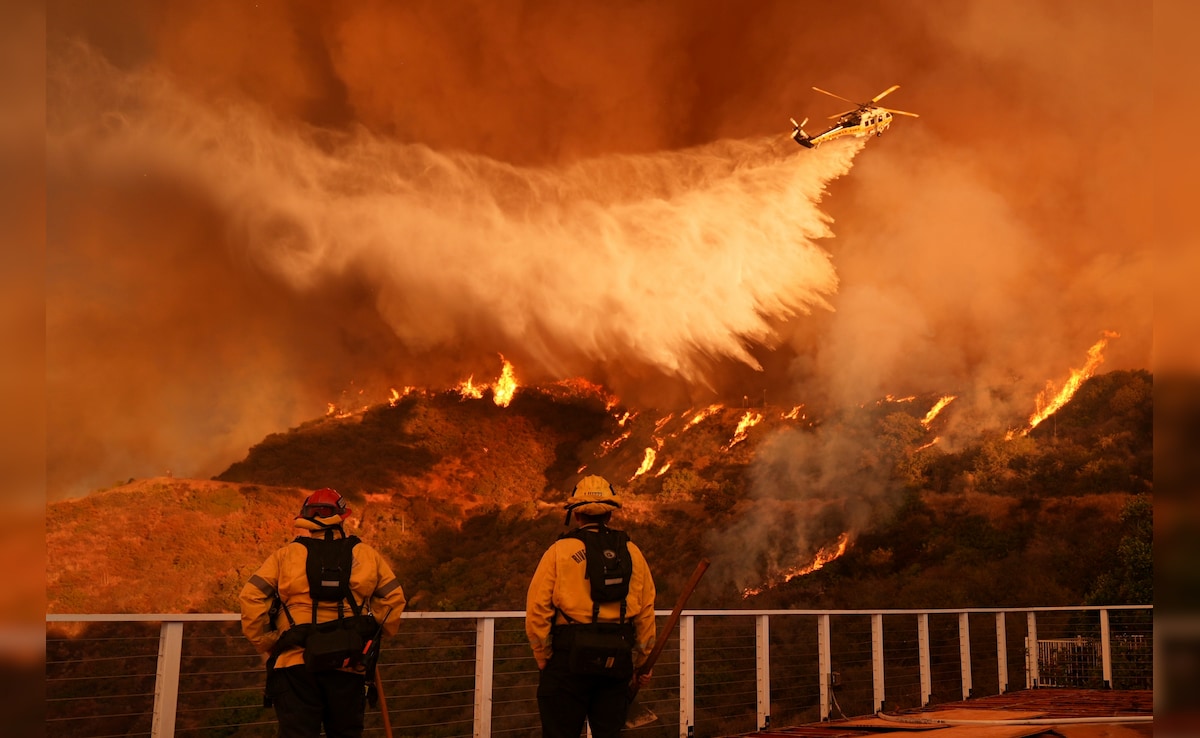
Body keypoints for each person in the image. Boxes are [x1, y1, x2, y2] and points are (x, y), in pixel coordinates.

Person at [240, 488, 406, 738]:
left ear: (305, 517)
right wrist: (371, 638)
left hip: (295, 663)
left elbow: (251, 596)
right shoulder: (366, 555)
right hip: (349, 664)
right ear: (342, 515)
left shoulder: (284, 556)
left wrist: (267, 642)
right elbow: (393, 599)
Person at [526, 475, 657, 738]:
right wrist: (642, 664)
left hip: (567, 662)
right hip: (616, 662)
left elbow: (537, 611)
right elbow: (645, 613)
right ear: (610, 514)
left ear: (576, 515)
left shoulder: (559, 552)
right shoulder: (633, 553)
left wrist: (543, 656)